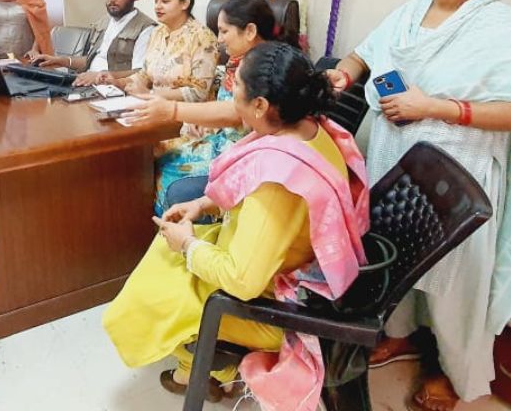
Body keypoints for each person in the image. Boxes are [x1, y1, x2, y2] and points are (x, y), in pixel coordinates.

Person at [325, 0, 511, 411]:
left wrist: (437, 108)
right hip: (394, 161)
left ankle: (451, 370)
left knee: (455, 281)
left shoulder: (500, 26)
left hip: (457, 174)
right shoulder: (408, 13)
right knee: (395, 260)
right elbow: (362, 54)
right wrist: (344, 74)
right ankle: (400, 336)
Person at [103, 42, 368, 406]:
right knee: (163, 257)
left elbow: (241, 281)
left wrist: (188, 245)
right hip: (276, 263)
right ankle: (206, 366)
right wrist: (202, 203)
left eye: (236, 87)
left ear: (260, 105)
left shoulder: (278, 185)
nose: (231, 96)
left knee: (153, 297)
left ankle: (208, 368)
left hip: (277, 304)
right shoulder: (306, 127)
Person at [139, 0, 279, 211]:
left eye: (224, 31)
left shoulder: (265, 68)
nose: (219, 39)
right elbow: (222, 101)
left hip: (242, 154)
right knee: (156, 152)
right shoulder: (239, 61)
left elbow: (237, 113)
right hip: (219, 140)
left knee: (164, 170)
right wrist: (205, 122)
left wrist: (173, 110)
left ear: (250, 31)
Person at [28, 0, 156, 85]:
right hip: (87, 81)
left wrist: (100, 76)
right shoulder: (104, 22)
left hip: (112, 89)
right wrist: (59, 61)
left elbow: (141, 73)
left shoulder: (145, 28)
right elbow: (91, 61)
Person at [124, 0, 218, 105]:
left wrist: (150, 94)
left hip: (189, 112)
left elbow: (199, 93)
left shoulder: (202, 37)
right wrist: (117, 82)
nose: (157, 7)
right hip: (154, 105)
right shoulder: (157, 32)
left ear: (185, 3)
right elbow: (145, 75)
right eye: (156, 1)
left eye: (165, 1)